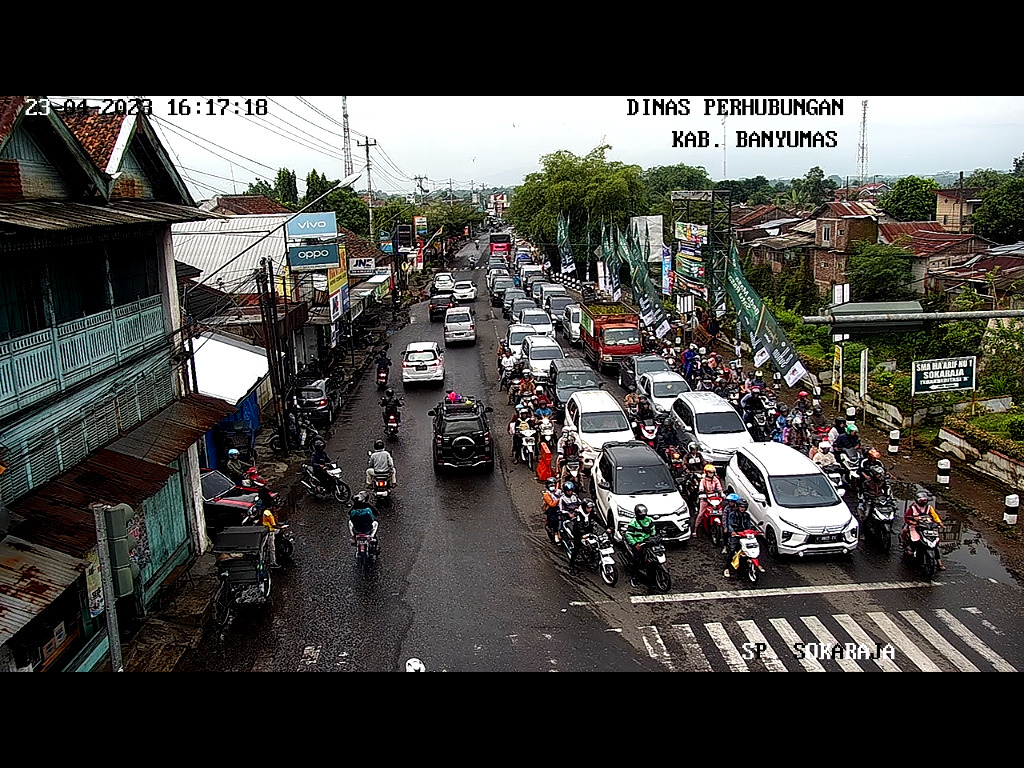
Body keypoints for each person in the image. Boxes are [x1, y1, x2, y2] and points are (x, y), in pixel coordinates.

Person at [901, 491, 946, 570]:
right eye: (921, 500)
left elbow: (935, 516)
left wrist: (939, 523)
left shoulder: (929, 508)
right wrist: (912, 521)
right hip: (915, 526)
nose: (923, 502)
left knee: (935, 542)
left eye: (924, 500)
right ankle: (909, 546)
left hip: (928, 527)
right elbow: (907, 517)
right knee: (912, 536)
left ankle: (939, 562)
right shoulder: (912, 508)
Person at [723, 495, 761, 574]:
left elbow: (748, 526)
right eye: (741, 507)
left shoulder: (747, 515)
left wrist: (752, 531)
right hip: (736, 535)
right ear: (737, 506)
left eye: (744, 507)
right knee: (733, 550)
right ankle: (726, 568)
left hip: (744, 535)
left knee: (753, 547)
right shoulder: (732, 514)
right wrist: (733, 532)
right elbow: (730, 524)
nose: (742, 508)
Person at [623, 504, 657, 586]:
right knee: (637, 561)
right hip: (638, 544)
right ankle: (634, 577)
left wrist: (653, 538)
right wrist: (635, 544)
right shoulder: (633, 523)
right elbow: (628, 534)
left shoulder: (649, 520)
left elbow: (653, 530)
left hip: (648, 542)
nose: (643, 515)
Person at [567, 499, 598, 574]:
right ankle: (571, 566)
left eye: (590, 508)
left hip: (588, 531)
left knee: (594, 546)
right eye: (588, 508)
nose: (589, 509)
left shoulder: (591, 513)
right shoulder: (578, 514)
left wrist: (607, 527)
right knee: (576, 550)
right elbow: (579, 525)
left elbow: (598, 519)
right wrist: (583, 534)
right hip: (579, 533)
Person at [694, 464, 724, 534]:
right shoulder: (703, 480)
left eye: (712, 472)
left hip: (714, 498)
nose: (711, 474)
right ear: (706, 473)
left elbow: (719, 487)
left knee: (720, 510)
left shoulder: (715, 479)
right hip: (705, 498)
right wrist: (702, 492)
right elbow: (701, 488)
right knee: (701, 513)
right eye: (710, 472)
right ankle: (695, 529)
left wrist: (722, 493)